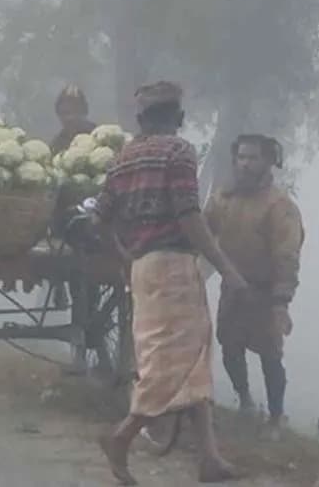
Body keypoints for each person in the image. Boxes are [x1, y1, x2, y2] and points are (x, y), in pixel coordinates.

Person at [92, 81, 246, 484]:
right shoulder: (179, 151)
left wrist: (123, 253)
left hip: (143, 267)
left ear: (141, 119)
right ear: (178, 117)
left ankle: (209, 458)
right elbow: (188, 216)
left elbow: (101, 217)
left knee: (193, 358)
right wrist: (226, 267)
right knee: (169, 363)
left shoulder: (122, 158)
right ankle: (122, 436)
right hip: (174, 267)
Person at [205, 134, 305, 439]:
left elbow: (287, 254)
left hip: (266, 291)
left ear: (268, 161)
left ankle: (276, 416)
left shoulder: (280, 205)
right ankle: (245, 401)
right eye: (242, 157)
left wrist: (281, 302)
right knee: (229, 345)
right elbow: (203, 233)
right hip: (233, 289)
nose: (246, 164)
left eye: (253, 158)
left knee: (270, 355)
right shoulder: (223, 197)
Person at [46, 85, 97, 311]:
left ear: (84, 111)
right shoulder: (57, 143)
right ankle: (60, 285)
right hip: (67, 214)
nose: (70, 118)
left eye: (75, 112)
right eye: (65, 113)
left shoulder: (98, 137)